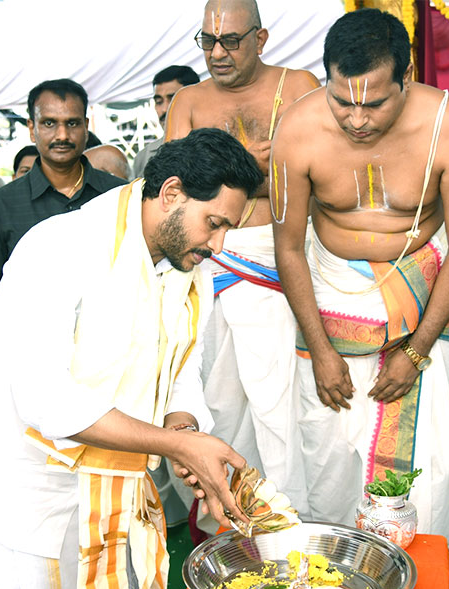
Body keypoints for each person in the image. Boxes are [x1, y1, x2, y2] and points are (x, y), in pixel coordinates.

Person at [0, 128, 263, 589]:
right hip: (35, 503)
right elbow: (44, 399)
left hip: (115, 494)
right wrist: (176, 444)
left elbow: (182, 375)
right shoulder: (58, 248)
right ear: (170, 193)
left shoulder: (191, 271)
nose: (218, 244)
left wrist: (184, 433)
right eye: (214, 223)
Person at [272, 8, 449, 542]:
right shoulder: (296, 128)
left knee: (427, 465)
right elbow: (288, 247)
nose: (356, 119)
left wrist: (417, 350)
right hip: (331, 306)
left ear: (407, 79)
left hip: (427, 297)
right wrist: (321, 349)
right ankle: (336, 579)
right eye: (341, 101)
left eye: (375, 103)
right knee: (330, 459)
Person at [164, 0, 320, 530]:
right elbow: (175, 184)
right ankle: (227, 522)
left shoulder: (297, 85)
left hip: (277, 262)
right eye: (207, 41)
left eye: (230, 40)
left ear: (261, 37)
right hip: (207, 264)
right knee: (217, 400)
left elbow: (320, 169)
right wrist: (252, 162)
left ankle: (289, 519)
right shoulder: (186, 100)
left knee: (283, 406)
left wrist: (256, 165)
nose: (217, 52)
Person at [0, 78, 126, 306]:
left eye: (72, 124)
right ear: (32, 129)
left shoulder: (119, 195)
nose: (62, 135)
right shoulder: (0, 205)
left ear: (86, 126)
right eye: (49, 123)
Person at [132, 65, 200, 178]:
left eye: (173, 99)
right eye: (159, 102)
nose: (164, 109)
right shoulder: (144, 157)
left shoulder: (216, 148)